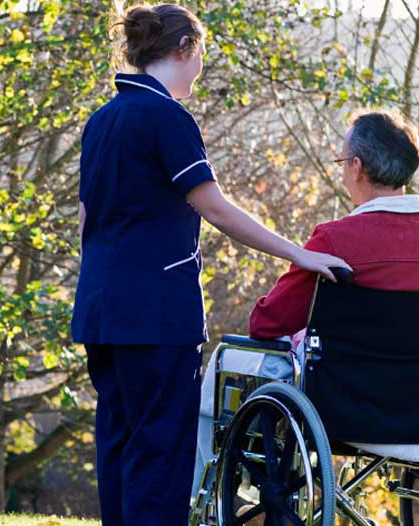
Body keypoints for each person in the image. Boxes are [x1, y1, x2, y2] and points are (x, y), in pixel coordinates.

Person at [72, 4, 350, 526]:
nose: (201, 68)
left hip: (100, 310)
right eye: (201, 55)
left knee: (118, 445)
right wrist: (298, 253)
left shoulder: (101, 120)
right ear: (185, 49)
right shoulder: (167, 117)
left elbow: (86, 219)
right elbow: (215, 207)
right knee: (160, 453)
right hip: (157, 314)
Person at [249, 110, 419, 341]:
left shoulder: (332, 240)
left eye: (342, 163)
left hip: (339, 366)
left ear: (356, 167)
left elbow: (266, 324)